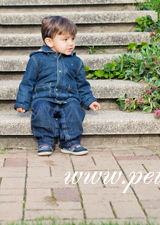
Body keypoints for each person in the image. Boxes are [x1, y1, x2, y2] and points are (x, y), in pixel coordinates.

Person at [14, 16, 100, 156]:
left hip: (68, 97)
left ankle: (70, 142)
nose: (71, 43)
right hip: (44, 97)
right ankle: (46, 141)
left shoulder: (76, 62)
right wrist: (22, 102)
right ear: (49, 42)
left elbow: (82, 85)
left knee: (74, 109)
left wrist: (89, 101)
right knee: (41, 109)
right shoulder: (37, 59)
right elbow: (27, 83)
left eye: (72, 39)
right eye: (65, 40)